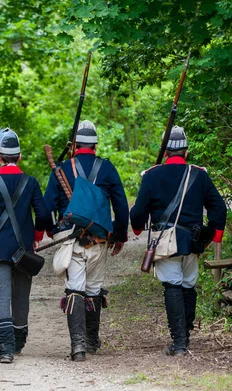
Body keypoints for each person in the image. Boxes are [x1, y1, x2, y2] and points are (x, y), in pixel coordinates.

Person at [130, 126, 226, 356]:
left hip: (165, 242)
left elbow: (139, 211)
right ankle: (185, 336)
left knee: (172, 284)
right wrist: (214, 234)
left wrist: (136, 228)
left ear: (165, 152)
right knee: (187, 284)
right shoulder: (199, 174)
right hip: (192, 242)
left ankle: (180, 342)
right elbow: (218, 208)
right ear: (186, 151)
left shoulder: (152, 175)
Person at [44, 120, 128, 362]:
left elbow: (47, 205)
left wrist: (51, 230)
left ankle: (78, 346)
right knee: (93, 289)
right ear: (96, 145)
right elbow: (121, 205)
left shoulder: (61, 168)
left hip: (71, 238)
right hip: (100, 238)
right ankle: (91, 341)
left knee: (75, 288)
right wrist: (119, 236)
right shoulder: (108, 168)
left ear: (76, 146)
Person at [0, 128, 50, 363]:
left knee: (0, 296)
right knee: (21, 296)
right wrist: (37, 235)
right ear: (19, 156)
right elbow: (44, 214)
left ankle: (5, 348)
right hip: (23, 249)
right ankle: (18, 341)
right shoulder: (31, 183)